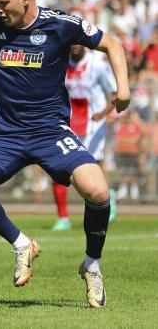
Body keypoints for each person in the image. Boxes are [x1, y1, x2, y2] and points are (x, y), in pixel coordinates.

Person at [0, 0, 130, 308]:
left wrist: (123, 89)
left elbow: (112, 43)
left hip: (51, 132)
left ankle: (92, 265)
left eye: (3, 3)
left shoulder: (61, 24)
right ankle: (22, 243)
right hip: (7, 135)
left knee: (98, 191)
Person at [51, 45, 117, 231]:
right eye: (70, 42)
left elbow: (113, 93)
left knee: (90, 172)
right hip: (67, 124)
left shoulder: (97, 64)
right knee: (57, 168)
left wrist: (103, 113)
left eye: (77, 41)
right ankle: (63, 217)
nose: (73, 46)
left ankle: (106, 197)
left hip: (92, 125)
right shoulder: (62, 62)